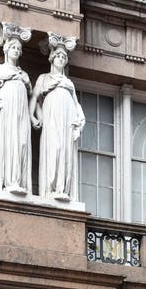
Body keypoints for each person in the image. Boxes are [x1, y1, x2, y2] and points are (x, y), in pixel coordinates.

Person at [30, 41, 86, 202]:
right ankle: (50, 188)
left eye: (64, 57)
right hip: (52, 117)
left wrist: (80, 120)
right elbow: (34, 98)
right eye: (58, 56)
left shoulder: (69, 83)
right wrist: (34, 116)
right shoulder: (44, 78)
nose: (61, 59)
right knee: (54, 148)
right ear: (52, 59)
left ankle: (62, 188)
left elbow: (76, 104)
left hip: (67, 119)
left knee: (65, 152)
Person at [0, 25, 32, 196]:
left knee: (21, 142)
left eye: (19, 48)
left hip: (21, 112)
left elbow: (32, 95)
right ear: (6, 50)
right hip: (7, 110)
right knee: (9, 142)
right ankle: (9, 181)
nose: (16, 50)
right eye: (13, 47)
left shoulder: (24, 75)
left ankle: (18, 180)